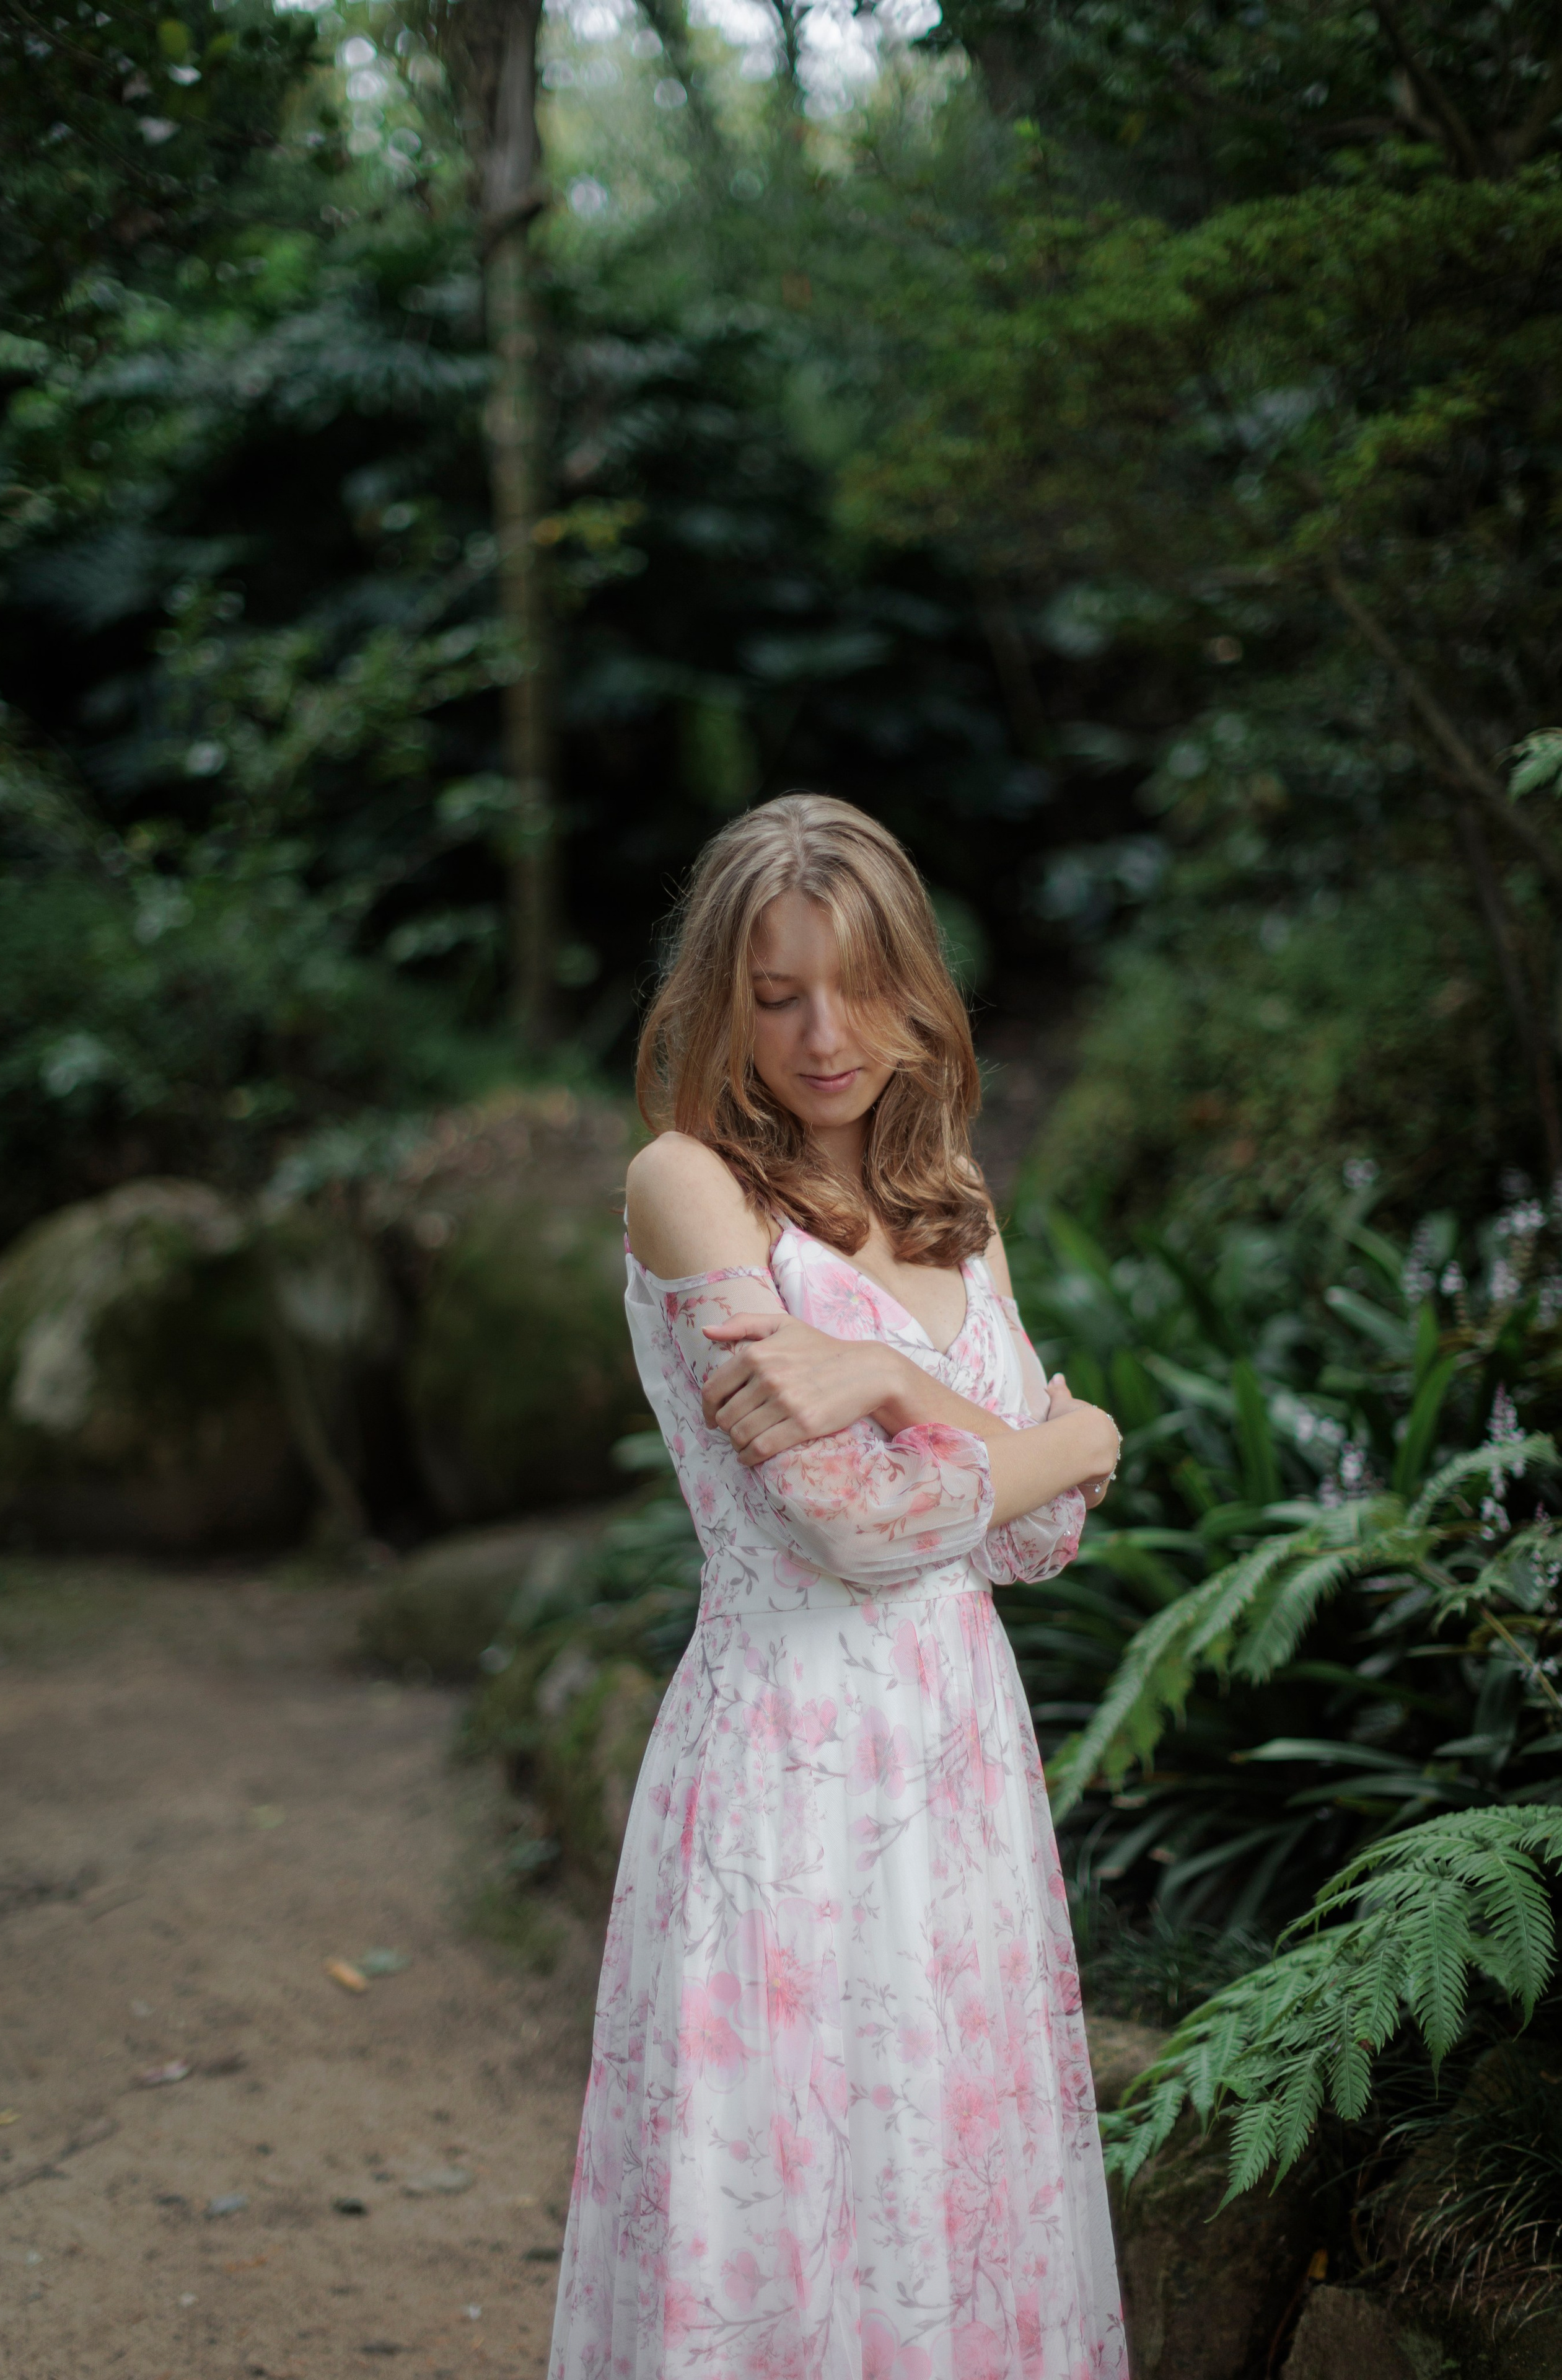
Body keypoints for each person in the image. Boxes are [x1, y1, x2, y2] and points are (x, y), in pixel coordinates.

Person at [548, 795, 1129, 2380]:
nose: (822, 1035)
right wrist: (1060, 1433)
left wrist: (881, 1371)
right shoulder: (691, 1187)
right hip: (787, 1779)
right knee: (784, 2205)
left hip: (963, 1773)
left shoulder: (953, 1198)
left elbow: (1034, 1532)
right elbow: (859, 1532)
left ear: (913, 986)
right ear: (716, 1000)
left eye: (854, 988)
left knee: (952, 2197)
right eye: (775, 991)